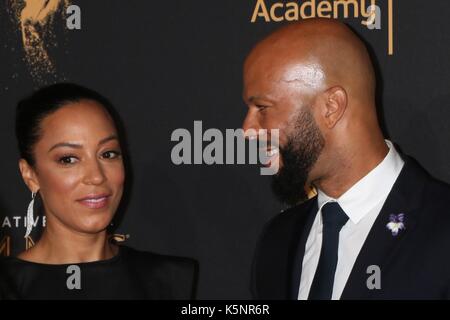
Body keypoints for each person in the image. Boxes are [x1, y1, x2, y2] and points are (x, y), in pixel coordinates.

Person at [244, 19, 450, 300]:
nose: (247, 130)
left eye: (262, 108)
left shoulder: (441, 230)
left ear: (332, 107)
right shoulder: (277, 241)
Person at [0, 83, 198, 299]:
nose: (96, 176)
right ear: (30, 175)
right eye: (69, 159)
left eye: (108, 154)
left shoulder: (168, 280)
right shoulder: (8, 287)